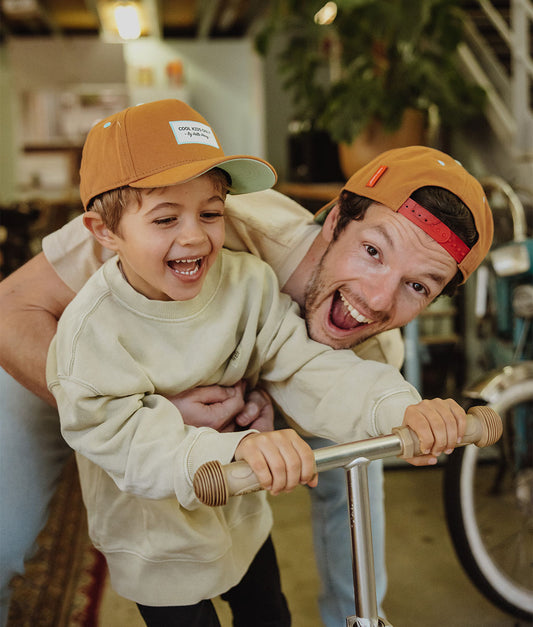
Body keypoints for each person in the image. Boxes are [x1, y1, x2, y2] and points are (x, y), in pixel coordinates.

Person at [0, 114, 493, 624]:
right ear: (337, 218)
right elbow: (13, 311)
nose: (376, 297)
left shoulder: (261, 290)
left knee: (348, 471)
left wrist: (407, 412)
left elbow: (320, 378)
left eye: (419, 286)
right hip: (53, 352)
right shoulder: (192, 214)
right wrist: (156, 410)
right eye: (372, 252)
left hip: (223, 502)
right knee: (6, 538)